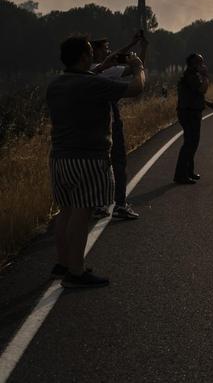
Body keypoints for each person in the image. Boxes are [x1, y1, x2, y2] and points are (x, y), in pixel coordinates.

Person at [46, 35, 145, 288]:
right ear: (82, 57)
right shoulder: (93, 85)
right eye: (90, 52)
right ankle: (76, 272)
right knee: (82, 213)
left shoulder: (56, 84)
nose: (93, 55)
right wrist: (138, 69)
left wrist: (103, 66)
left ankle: (63, 263)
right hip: (88, 157)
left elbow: (91, 74)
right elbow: (136, 89)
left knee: (65, 211)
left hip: (59, 157)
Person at [89, 32, 145, 220]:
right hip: (110, 123)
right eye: (105, 48)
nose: (110, 51)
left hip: (92, 125)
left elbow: (113, 58)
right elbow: (134, 72)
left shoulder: (88, 71)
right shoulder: (105, 69)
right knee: (118, 163)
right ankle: (120, 204)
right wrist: (138, 60)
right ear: (95, 51)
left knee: (99, 165)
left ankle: (98, 204)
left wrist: (132, 44)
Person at [174, 53, 213, 184]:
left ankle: (188, 171)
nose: (202, 65)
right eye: (199, 62)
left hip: (191, 111)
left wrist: (208, 103)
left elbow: (196, 95)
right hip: (189, 113)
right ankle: (181, 175)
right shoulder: (191, 76)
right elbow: (201, 90)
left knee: (192, 143)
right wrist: (205, 76)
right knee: (190, 143)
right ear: (193, 64)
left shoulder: (192, 75)